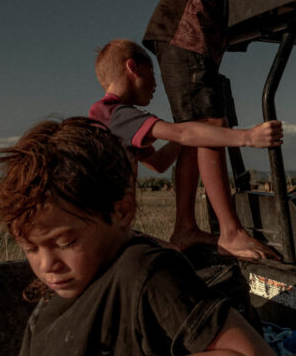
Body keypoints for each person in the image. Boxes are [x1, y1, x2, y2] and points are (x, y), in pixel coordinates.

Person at [0, 117, 281, 356]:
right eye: (31, 249)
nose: (47, 264)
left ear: (122, 211)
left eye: (65, 241)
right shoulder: (53, 300)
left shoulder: (146, 274)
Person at [92, 40, 283, 260]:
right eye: (152, 72)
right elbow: (181, 134)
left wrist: (195, 128)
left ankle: (187, 231)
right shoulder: (113, 113)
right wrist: (248, 137)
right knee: (173, 265)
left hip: (114, 229)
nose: (156, 83)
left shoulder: (112, 121)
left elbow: (158, 162)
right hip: (105, 233)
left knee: (177, 254)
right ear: (132, 68)